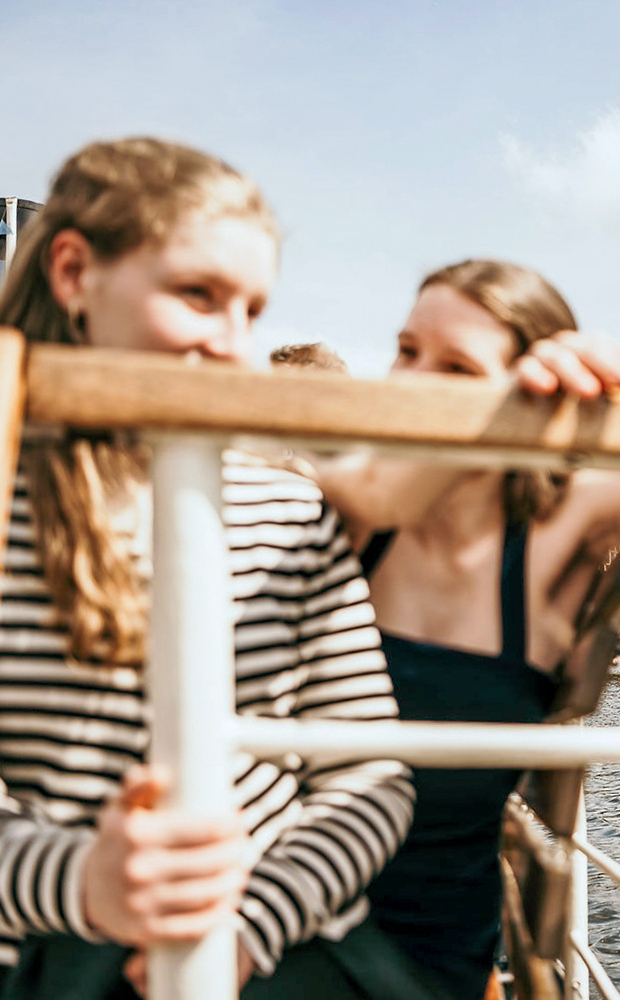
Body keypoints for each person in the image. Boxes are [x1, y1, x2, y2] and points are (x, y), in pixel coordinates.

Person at [0, 138, 418, 999]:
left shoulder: (289, 512)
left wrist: (249, 926)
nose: (233, 348)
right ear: (74, 273)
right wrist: (85, 882)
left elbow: (370, 780)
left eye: (251, 312)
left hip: (282, 956)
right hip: (52, 962)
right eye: (199, 296)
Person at [310, 260, 620, 1000]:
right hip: (277, 934)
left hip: (435, 967)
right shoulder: (345, 511)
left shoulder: (547, 548)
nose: (411, 383)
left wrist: (618, 386)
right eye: (406, 351)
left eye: (457, 368)